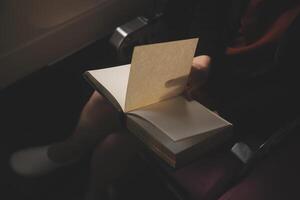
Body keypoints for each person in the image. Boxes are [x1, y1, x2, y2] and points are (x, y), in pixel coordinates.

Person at [9, 0, 300, 199]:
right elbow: (208, 23)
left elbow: (282, 96)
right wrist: (203, 62)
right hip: (203, 69)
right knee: (104, 98)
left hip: (235, 104)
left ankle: (94, 192)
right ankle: (70, 150)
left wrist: (217, 105)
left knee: (115, 146)